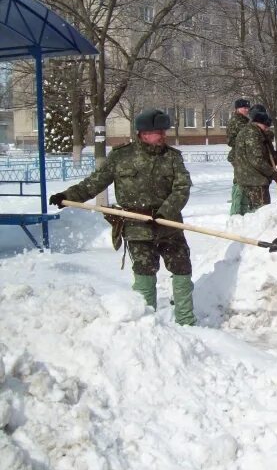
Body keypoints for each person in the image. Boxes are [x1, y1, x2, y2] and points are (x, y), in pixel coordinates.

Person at [49, 109, 196, 325]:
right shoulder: (121, 157)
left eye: (164, 131)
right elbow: (95, 182)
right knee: (145, 272)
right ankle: (148, 324)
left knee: (182, 268)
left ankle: (186, 322)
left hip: (169, 225)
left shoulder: (172, 157)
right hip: (137, 227)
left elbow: (182, 188)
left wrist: (165, 212)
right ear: (143, 133)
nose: (163, 135)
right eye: (158, 132)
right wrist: (68, 195)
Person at [234, 107, 277, 213]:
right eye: (265, 126)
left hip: (248, 179)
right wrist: (271, 172)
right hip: (255, 181)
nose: (267, 129)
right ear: (258, 123)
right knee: (262, 212)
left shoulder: (250, 131)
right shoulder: (252, 134)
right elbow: (256, 159)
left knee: (251, 214)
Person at [226, 98, 251, 215]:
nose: (246, 110)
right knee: (239, 183)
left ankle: (242, 208)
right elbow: (236, 139)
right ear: (237, 109)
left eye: (247, 108)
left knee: (242, 182)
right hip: (238, 155)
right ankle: (236, 210)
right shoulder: (237, 121)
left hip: (243, 155)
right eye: (243, 108)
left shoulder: (245, 120)